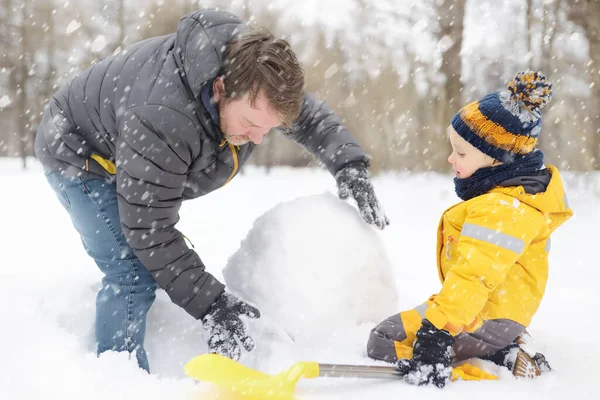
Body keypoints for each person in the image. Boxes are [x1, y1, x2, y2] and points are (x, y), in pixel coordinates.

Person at [35, 9, 389, 373]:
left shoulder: (253, 80)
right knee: (132, 271)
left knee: (153, 260)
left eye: (267, 128)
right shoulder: (163, 116)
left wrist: (349, 164)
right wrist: (211, 304)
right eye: (251, 124)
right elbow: (149, 229)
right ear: (219, 88)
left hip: (135, 153)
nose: (257, 138)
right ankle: (117, 379)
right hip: (81, 154)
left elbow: (308, 117)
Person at [366, 71, 572, 388]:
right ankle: (503, 350)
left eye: (461, 152)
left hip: (485, 315)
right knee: (414, 328)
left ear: (497, 161)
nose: (451, 158)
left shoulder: (500, 209)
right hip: (494, 313)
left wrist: (437, 331)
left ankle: (480, 362)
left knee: (383, 340)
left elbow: (473, 276)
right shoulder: (511, 198)